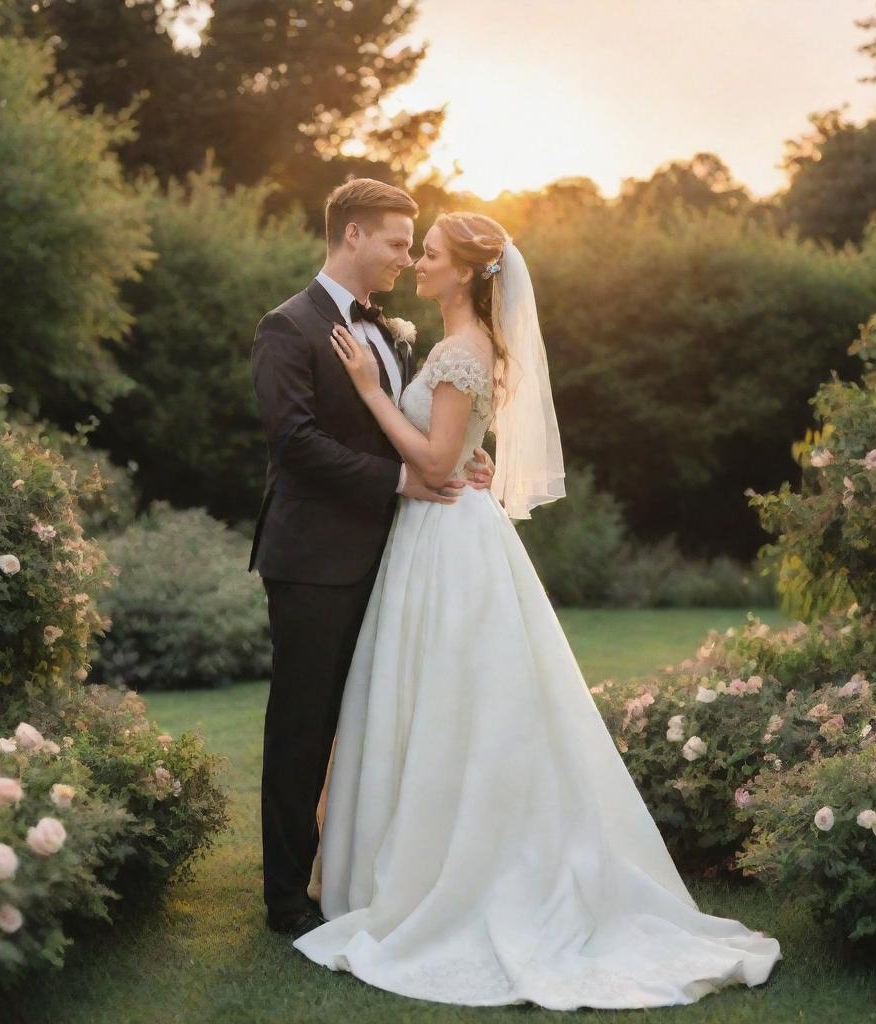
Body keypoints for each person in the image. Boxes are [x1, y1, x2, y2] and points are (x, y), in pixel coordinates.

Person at [290, 210, 783, 1009]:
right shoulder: (456, 347)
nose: (419, 263)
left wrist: (373, 392)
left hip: (447, 538)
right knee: (436, 700)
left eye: (435, 255)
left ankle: (463, 868)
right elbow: (458, 445)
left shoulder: (462, 351)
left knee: (456, 700)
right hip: (434, 537)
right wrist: (450, 437)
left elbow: (436, 459)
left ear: (471, 272)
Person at [248, 179, 495, 939]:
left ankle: (355, 871)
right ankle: (287, 896)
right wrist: (404, 479)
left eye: (412, 246)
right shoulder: (287, 327)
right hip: (315, 560)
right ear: (351, 235)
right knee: (303, 725)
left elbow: (413, 428)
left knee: (370, 721)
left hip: (390, 560)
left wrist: (462, 461)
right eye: (394, 242)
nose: (402, 258)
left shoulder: (394, 331)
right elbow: (295, 442)